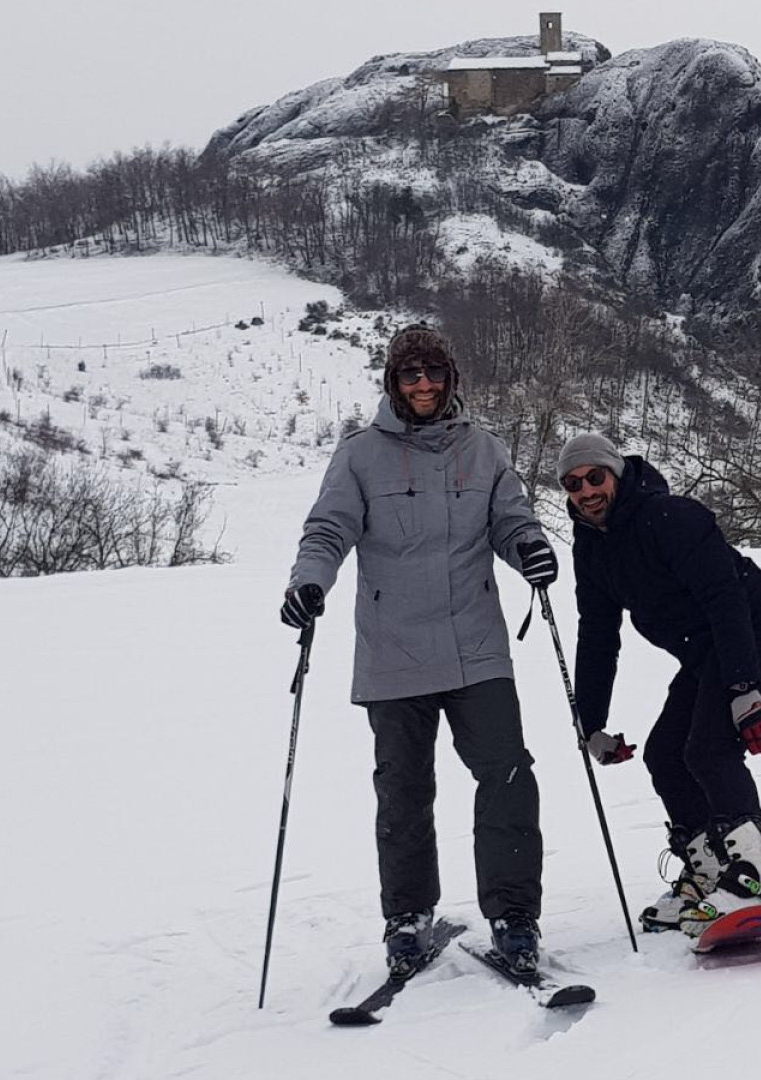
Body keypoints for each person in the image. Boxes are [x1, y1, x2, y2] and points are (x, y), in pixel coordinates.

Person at [280, 324, 560, 974]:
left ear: (450, 377)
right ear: (393, 383)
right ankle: (406, 917)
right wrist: (307, 583)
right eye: (411, 374)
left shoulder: (484, 451)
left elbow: (511, 520)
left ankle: (514, 916)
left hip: (476, 647)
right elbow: (328, 528)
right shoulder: (358, 456)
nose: (424, 384)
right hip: (394, 651)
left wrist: (531, 551)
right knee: (404, 793)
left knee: (508, 778)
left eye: (434, 372)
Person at [556, 432, 761, 934]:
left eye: (594, 476)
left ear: (617, 473)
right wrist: (590, 724)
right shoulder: (591, 549)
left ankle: (757, 877)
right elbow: (598, 636)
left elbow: (725, 600)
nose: (585, 490)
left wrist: (744, 690)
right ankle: (711, 875)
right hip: (709, 656)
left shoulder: (671, 518)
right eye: (572, 483)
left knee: (709, 749)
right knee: (665, 756)